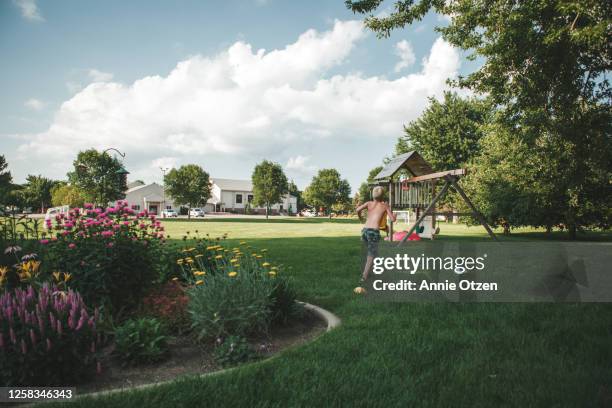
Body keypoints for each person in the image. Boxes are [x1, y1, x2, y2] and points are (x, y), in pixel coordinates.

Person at [356, 186, 396, 283]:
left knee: (373, 252)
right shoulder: (384, 206)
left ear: (372, 195)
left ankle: (375, 269)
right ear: (382, 197)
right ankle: (364, 276)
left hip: (365, 231)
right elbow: (392, 219)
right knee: (371, 254)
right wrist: (394, 215)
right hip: (373, 232)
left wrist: (360, 218)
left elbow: (357, 210)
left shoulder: (368, 203)